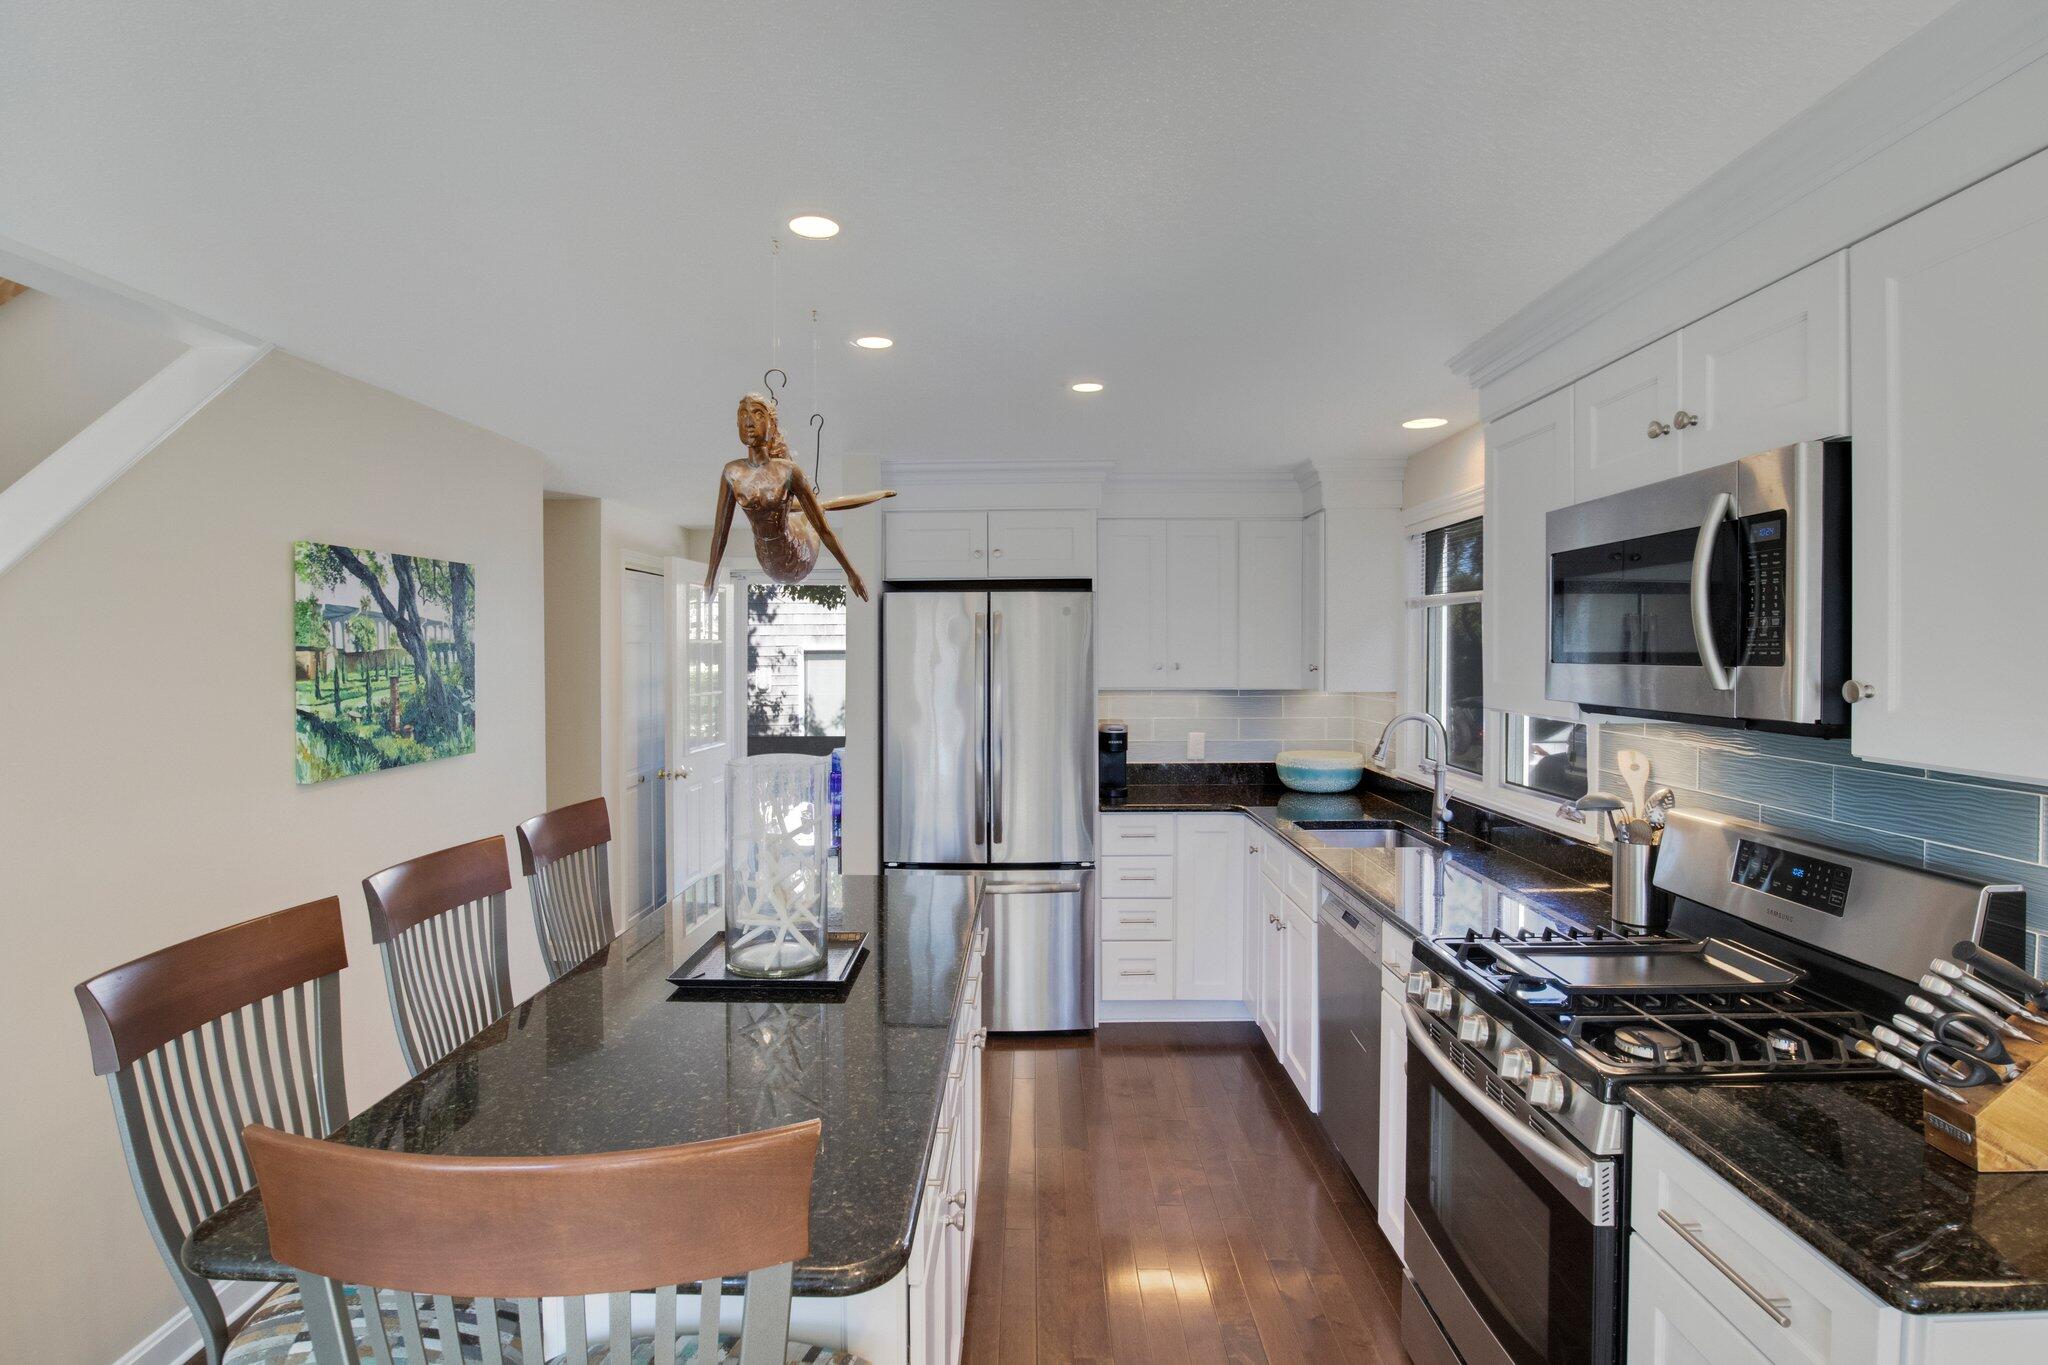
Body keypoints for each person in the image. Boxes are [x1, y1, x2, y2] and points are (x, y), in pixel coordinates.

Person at [702, 393, 892, 599]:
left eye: (758, 414)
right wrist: (711, 577)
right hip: (767, 559)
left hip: (799, 554)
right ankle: (806, 508)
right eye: (743, 415)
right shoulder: (731, 472)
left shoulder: (789, 471)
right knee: (805, 509)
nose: (749, 422)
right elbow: (720, 532)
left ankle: (813, 509)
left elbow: (823, 529)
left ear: (772, 425)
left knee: (816, 511)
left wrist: (851, 573)